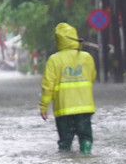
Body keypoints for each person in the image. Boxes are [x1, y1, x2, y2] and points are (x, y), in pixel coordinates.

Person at [39, 22, 97, 154]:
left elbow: (48, 86)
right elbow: (91, 77)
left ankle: (64, 161)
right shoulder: (87, 57)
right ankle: (86, 157)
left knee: (65, 142)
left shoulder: (54, 60)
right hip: (85, 107)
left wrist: (44, 107)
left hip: (63, 109)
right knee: (86, 137)